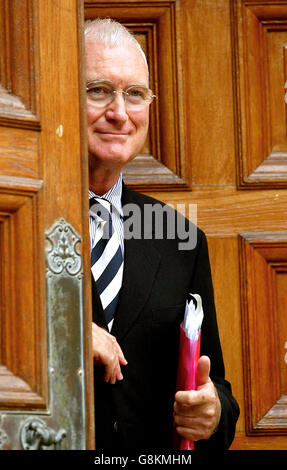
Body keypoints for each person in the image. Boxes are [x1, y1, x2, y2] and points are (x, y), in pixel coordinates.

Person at [85, 18, 239, 451]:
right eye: (98, 90)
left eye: (134, 94)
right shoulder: (16, 219)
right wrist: (64, 332)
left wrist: (212, 413)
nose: (119, 112)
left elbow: (217, 391)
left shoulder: (180, 238)